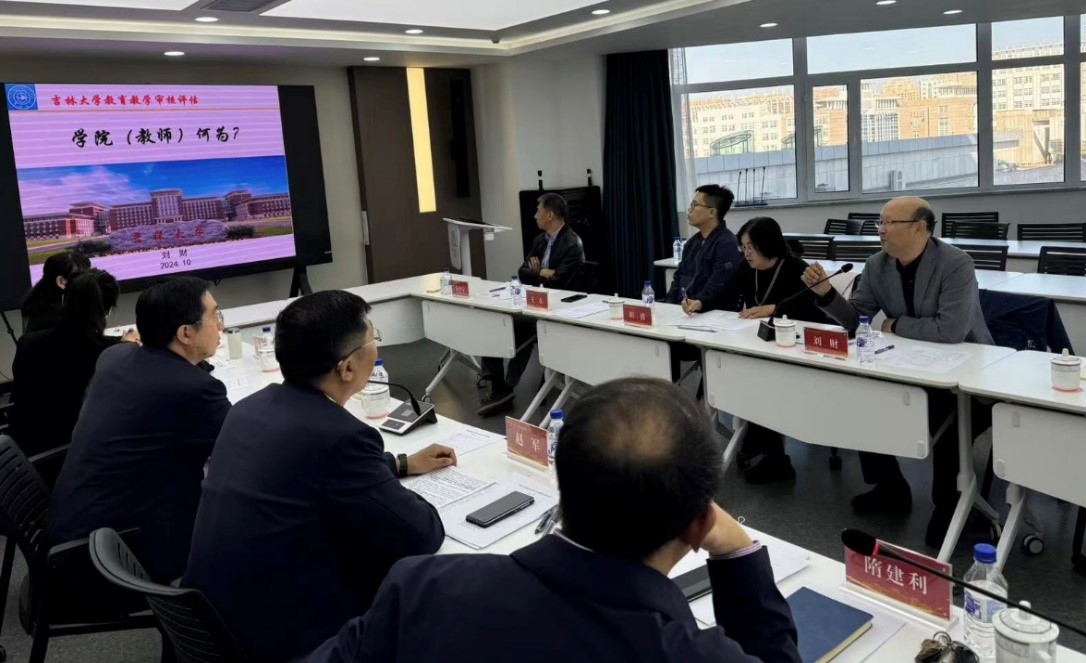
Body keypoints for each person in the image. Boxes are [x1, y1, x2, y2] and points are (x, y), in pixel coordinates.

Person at [309, 377, 800, 663]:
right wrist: (740, 557)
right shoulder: (690, 653)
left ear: (563, 484)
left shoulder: (421, 587)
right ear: (699, 527)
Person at [183, 291, 453, 662]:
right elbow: (420, 534)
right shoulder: (340, 437)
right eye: (372, 339)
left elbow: (303, 469)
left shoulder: (248, 409)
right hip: (284, 639)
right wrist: (388, 484)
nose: (376, 346)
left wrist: (400, 464)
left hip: (209, 622)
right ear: (347, 368)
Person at [801, 197, 993, 549]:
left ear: (920, 228)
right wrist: (827, 295)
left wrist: (896, 324)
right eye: (880, 222)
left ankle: (951, 507)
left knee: (949, 424)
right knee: (865, 400)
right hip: (910, 365)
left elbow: (951, 331)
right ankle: (889, 486)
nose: (881, 230)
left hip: (966, 375)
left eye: (890, 222)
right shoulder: (877, 264)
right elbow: (856, 319)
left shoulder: (955, 263)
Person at [47, 276, 229, 583]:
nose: (220, 325)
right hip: (109, 559)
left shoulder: (116, 356)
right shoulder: (194, 390)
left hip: (69, 531)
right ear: (185, 333)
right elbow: (247, 452)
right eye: (214, 316)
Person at [690, 217, 831, 483]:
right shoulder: (747, 268)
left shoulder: (796, 268)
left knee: (759, 380)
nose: (746, 253)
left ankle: (767, 453)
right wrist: (700, 303)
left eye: (751, 247)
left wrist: (775, 309)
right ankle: (727, 433)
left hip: (794, 347)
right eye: (743, 246)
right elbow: (725, 292)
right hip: (758, 345)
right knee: (724, 366)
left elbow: (813, 313)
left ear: (768, 244)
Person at [10, 269, 139, 462]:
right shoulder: (110, 354)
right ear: (108, 310)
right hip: (71, 457)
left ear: (64, 301)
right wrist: (128, 346)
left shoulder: (27, 343)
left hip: (23, 455)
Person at [478, 192, 585, 416]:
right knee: (496, 322)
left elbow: (560, 281)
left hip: (558, 309)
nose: (535, 215)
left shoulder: (572, 243)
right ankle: (497, 383)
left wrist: (537, 273)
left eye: (538, 211)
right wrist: (541, 272)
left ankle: (506, 388)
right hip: (534, 303)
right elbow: (522, 272)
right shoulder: (540, 240)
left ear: (549, 214)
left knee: (522, 329)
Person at [667, 185, 743, 312]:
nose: (690, 209)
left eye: (694, 205)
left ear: (711, 212)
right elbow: (678, 278)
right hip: (686, 311)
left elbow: (717, 286)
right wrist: (668, 305)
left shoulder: (727, 244)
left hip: (712, 312)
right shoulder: (692, 243)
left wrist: (697, 303)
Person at [20, 250, 91, 334]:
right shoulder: (63, 320)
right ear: (61, 282)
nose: (90, 282)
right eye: (83, 277)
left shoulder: (40, 305)